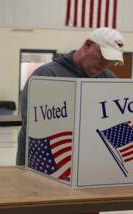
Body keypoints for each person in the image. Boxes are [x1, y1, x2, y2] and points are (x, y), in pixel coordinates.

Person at [16, 27, 126, 166]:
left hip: (88, 163)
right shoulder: (47, 75)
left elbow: (116, 121)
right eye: (103, 56)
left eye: (110, 60)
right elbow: (34, 125)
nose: (105, 64)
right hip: (43, 163)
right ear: (87, 45)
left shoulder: (108, 79)